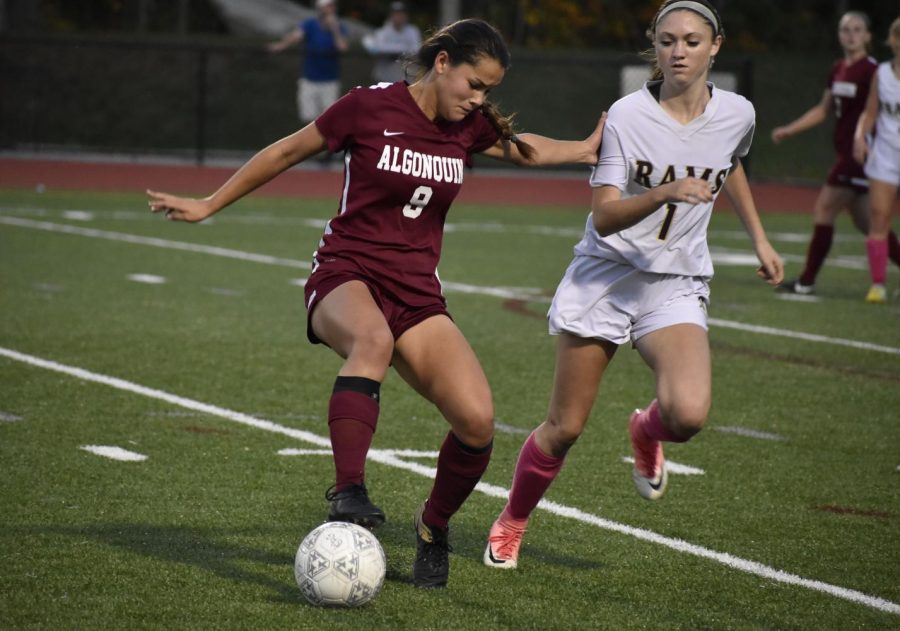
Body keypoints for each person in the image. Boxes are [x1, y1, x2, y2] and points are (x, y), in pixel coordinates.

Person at [147, 19, 604, 589]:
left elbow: (525, 150)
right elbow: (287, 150)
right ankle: (348, 490)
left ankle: (433, 526)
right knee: (372, 341)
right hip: (345, 272)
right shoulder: (367, 107)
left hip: (416, 291)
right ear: (442, 63)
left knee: (477, 422)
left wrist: (584, 150)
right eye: (474, 83)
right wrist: (208, 204)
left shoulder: (468, 126)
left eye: (489, 90)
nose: (479, 99)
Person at [483, 0, 783, 571]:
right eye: (668, 41)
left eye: (693, 41)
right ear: (655, 46)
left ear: (715, 46)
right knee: (564, 427)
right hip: (607, 278)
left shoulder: (739, 112)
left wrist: (760, 240)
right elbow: (604, 216)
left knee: (688, 414)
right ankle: (512, 520)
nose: (679, 52)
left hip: (673, 281)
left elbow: (732, 164)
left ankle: (646, 431)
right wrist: (664, 193)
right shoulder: (627, 114)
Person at [771, 12, 900, 296]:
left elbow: (877, 113)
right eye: (845, 30)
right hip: (846, 152)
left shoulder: (873, 70)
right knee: (868, 221)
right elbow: (824, 109)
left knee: (824, 208)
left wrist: (865, 142)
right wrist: (790, 129)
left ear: (868, 36)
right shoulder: (839, 68)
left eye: (857, 30)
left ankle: (806, 281)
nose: (850, 35)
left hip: (862, 156)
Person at [854, 17, 900, 304]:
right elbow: (870, 113)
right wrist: (861, 137)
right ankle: (878, 284)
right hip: (885, 153)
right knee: (879, 217)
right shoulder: (882, 73)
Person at [267, 0, 348, 128]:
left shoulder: (339, 27)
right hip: (309, 80)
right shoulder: (310, 24)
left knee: (329, 118)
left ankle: (328, 147)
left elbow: (342, 47)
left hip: (330, 81)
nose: (330, 9)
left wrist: (334, 29)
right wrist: (281, 45)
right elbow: (296, 36)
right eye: (327, 6)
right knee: (308, 118)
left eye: (332, 6)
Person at [363, 1, 422, 84]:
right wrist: (402, 49)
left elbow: (416, 50)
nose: (399, 17)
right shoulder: (382, 32)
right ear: (391, 16)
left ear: (406, 16)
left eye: (402, 14)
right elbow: (376, 48)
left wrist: (394, 49)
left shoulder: (412, 31)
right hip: (384, 78)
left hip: (405, 78)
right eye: (396, 14)